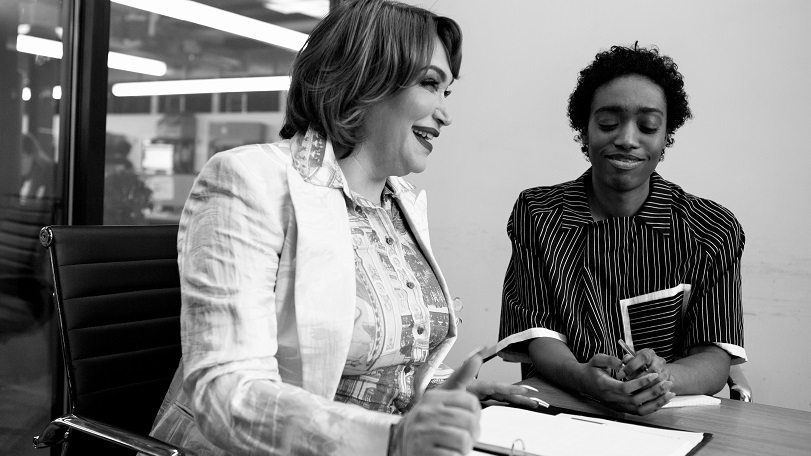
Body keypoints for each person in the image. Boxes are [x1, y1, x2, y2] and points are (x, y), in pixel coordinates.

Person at [147, 1, 539, 455]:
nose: (445, 112)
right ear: (367, 79)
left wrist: (444, 398)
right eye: (430, 84)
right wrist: (390, 439)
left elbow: (381, 373)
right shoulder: (249, 181)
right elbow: (224, 393)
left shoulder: (401, 204)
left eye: (447, 92)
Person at [496, 44, 746, 416]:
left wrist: (663, 378)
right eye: (609, 123)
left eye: (647, 126)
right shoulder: (539, 215)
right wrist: (583, 377)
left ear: (666, 137)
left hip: (667, 422)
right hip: (561, 412)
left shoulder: (711, 230)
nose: (627, 139)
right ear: (585, 130)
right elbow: (538, 336)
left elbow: (714, 357)